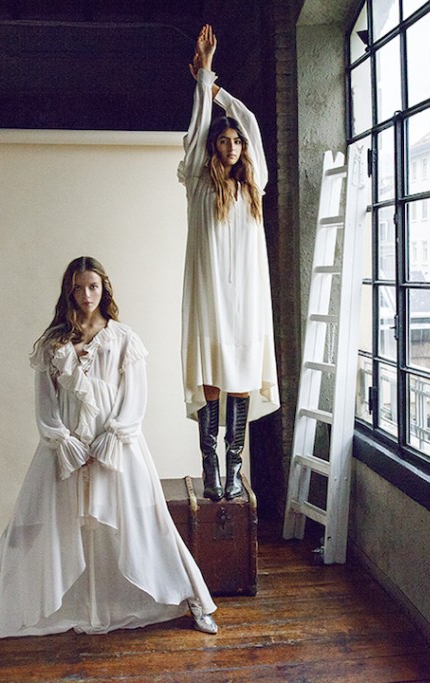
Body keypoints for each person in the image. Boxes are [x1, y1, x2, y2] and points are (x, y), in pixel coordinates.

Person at [0, 256, 218, 662]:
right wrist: (64, 442)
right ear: (70, 291)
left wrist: (109, 439)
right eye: (79, 287)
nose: (86, 295)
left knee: (149, 525)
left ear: (104, 289)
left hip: (118, 450)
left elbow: (134, 399)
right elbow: (45, 405)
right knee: (28, 529)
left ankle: (196, 602)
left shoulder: (123, 339)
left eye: (93, 287)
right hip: (64, 452)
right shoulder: (52, 344)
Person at [179, 24, 280, 503]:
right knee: (212, 379)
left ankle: (234, 463)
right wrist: (203, 81)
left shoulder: (254, 188)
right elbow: (198, 129)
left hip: (247, 301)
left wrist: (217, 88)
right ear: (213, 147)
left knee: (240, 377)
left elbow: (250, 120)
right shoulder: (198, 183)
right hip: (211, 295)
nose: (232, 146)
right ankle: (210, 464)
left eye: (236, 142)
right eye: (223, 141)